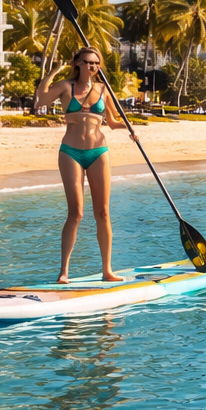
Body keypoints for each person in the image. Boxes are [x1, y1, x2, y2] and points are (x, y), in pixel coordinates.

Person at [35, 47, 137, 284]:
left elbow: (112, 121)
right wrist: (53, 72)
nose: (93, 67)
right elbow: (42, 99)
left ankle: (107, 270)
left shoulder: (103, 89)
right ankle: (63, 272)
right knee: (76, 213)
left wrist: (130, 128)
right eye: (89, 62)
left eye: (96, 63)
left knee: (103, 212)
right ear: (78, 63)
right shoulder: (65, 86)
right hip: (71, 152)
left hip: (99, 151)